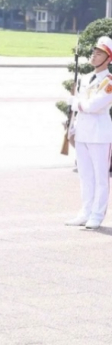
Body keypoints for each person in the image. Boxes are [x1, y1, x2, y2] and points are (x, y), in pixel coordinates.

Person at [66, 36, 112, 230]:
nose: (94, 55)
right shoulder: (85, 78)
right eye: (94, 52)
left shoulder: (109, 82)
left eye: (99, 53)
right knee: (85, 175)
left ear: (108, 58)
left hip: (100, 134)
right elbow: (81, 106)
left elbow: (93, 105)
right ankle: (85, 212)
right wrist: (72, 127)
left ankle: (97, 214)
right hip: (83, 132)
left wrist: (74, 103)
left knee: (100, 177)